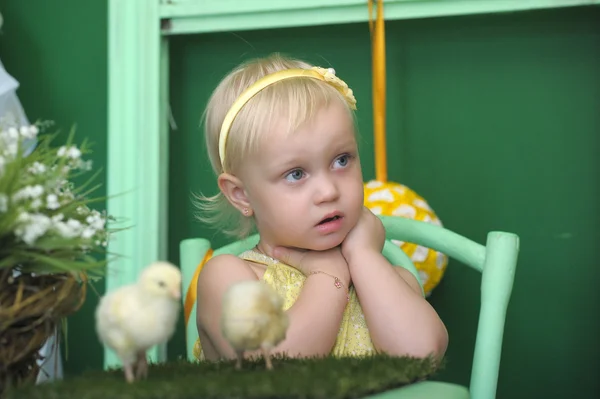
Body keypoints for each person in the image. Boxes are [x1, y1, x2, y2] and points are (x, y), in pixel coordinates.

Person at [194, 53, 448, 362]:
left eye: (342, 160)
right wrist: (328, 276)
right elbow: (278, 373)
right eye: (296, 174)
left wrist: (364, 256)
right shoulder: (229, 279)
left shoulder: (379, 275)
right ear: (242, 195)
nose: (329, 191)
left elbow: (423, 354)